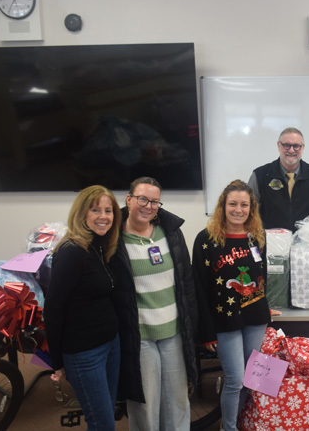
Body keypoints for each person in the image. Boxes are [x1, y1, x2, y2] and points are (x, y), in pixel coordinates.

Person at [110, 177, 198, 430]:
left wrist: (193, 326)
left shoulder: (170, 232)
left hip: (173, 332)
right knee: (145, 404)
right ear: (129, 199)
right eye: (142, 199)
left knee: (178, 400)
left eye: (155, 201)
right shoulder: (114, 239)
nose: (148, 206)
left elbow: (186, 280)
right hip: (140, 336)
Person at [193, 180, 271, 431]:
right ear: (223, 206)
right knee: (235, 380)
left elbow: (262, 274)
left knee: (250, 380)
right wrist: (205, 332)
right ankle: (228, 428)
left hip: (255, 317)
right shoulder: (206, 239)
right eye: (233, 204)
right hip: (223, 320)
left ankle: (235, 424)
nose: (238, 210)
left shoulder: (257, 236)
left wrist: (265, 303)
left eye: (244, 205)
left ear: (251, 208)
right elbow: (199, 287)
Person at [43, 185, 122, 430]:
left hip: (110, 344)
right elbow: (53, 309)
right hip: (84, 354)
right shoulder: (72, 252)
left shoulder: (99, 245)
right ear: (81, 213)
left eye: (108, 210)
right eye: (95, 210)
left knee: (106, 414)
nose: (103, 216)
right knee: (102, 423)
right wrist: (56, 362)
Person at [248, 127, 309, 231]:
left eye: (296, 146)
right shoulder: (260, 175)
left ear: (302, 148)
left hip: (306, 240)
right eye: (286, 145)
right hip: (270, 239)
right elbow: (250, 212)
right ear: (278, 145)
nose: (291, 150)